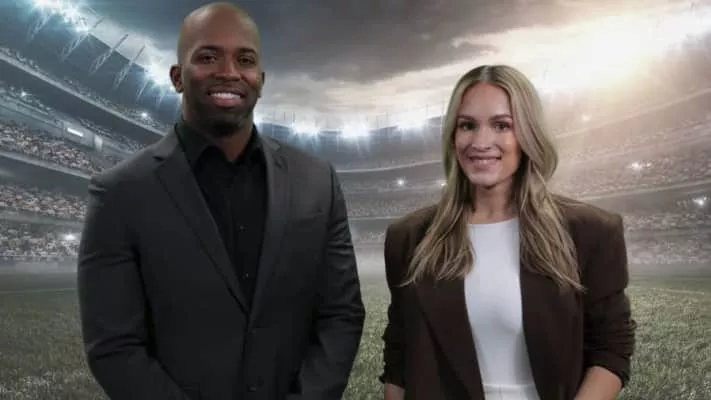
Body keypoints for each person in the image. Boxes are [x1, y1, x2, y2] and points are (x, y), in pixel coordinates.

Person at [77, 3, 365, 399]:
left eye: (245, 60)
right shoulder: (119, 193)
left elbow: (341, 313)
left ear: (261, 79)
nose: (229, 72)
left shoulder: (317, 181)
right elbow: (113, 347)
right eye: (208, 56)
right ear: (177, 77)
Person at [379, 65, 636, 400]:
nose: (481, 142)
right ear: (453, 137)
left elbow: (611, 348)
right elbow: (398, 358)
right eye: (467, 125)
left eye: (502, 125)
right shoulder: (410, 238)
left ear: (527, 134)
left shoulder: (590, 231)